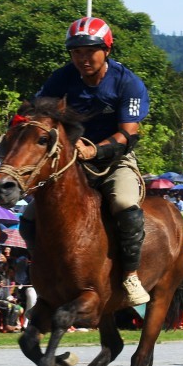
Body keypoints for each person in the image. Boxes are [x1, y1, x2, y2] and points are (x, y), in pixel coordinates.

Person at [25, 17, 151, 306]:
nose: (82, 58)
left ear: (106, 49)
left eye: (90, 51)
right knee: (29, 219)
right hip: (72, 161)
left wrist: (95, 150)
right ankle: (46, 273)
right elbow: (38, 112)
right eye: (76, 52)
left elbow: (128, 134)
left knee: (125, 205)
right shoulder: (61, 78)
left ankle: (130, 275)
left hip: (115, 161)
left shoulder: (128, 83)